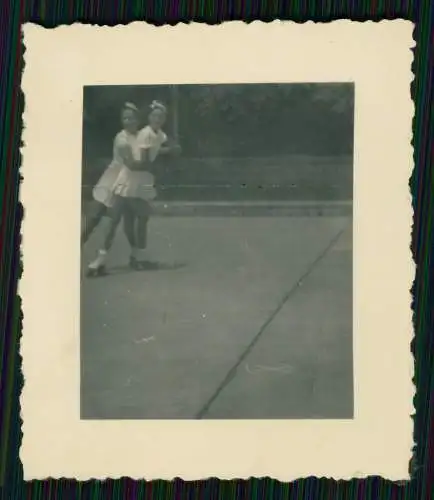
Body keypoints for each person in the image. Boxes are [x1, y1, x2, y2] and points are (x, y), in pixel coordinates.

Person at [86, 100, 181, 276]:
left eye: (161, 116)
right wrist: (159, 166)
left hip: (142, 181)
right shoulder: (141, 135)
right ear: (149, 117)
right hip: (128, 180)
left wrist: (170, 150)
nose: (158, 119)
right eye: (154, 115)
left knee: (140, 219)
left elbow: (159, 147)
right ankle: (99, 262)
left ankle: (134, 257)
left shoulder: (157, 134)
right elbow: (139, 163)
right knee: (114, 220)